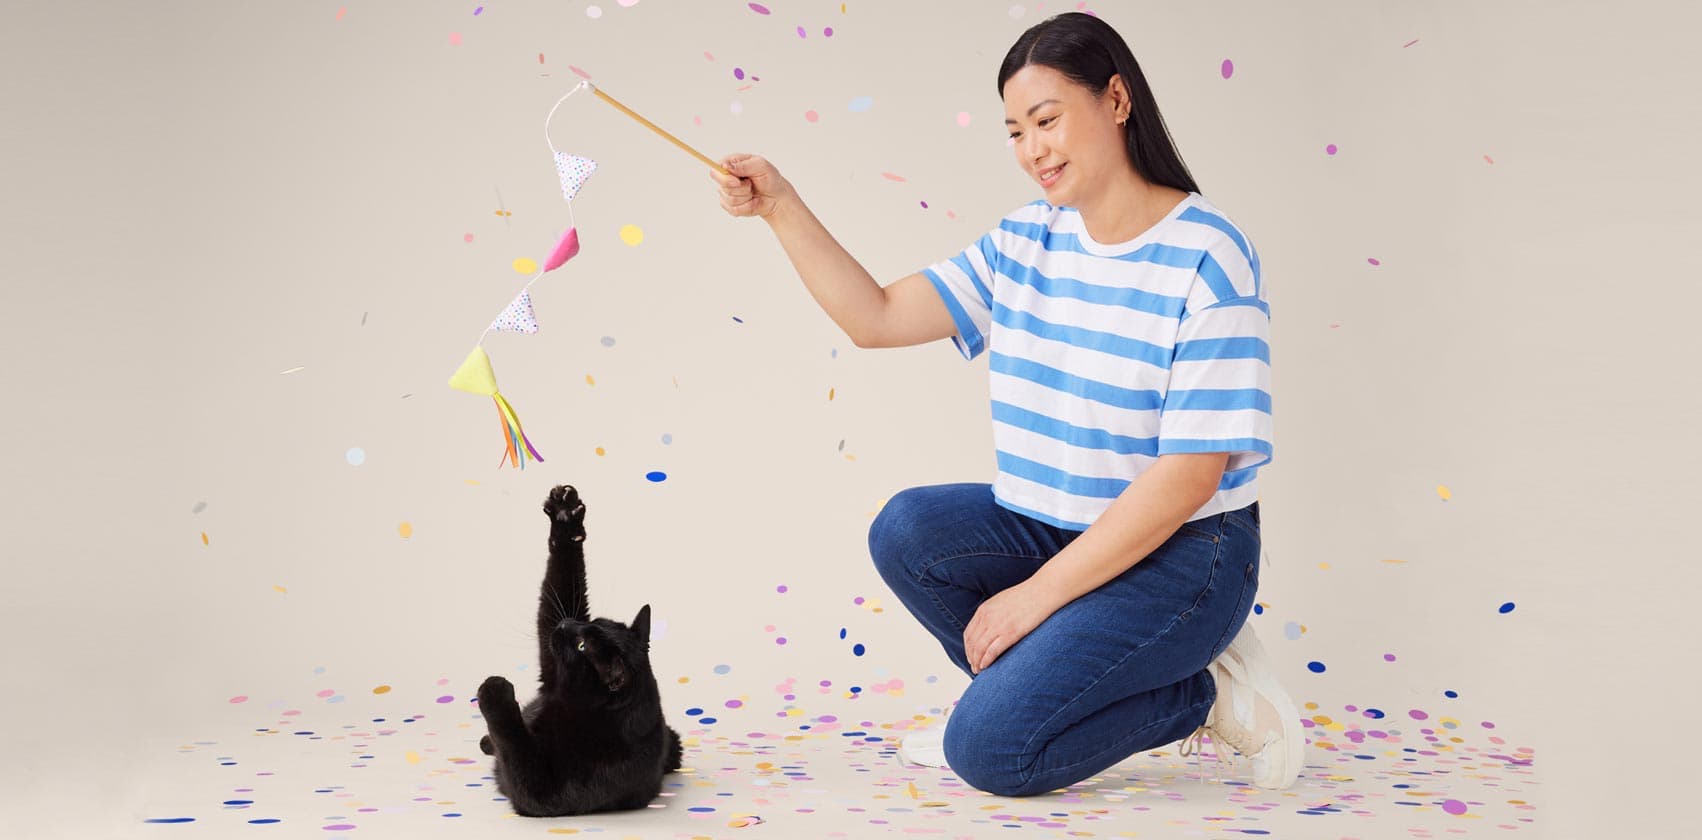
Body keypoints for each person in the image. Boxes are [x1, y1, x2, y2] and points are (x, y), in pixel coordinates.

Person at [710, 11, 1302, 795]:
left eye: (1047, 121)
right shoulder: (1026, 241)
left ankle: (1199, 692)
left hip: (1189, 553)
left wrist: (1032, 599)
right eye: (1015, 132)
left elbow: (1191, 476)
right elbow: (876, 316)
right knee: (909, 529)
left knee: (990, 753)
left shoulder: (1209, 253)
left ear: (1116, 101)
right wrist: (780, 204)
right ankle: (1018, 696)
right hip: (1058, 525)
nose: (1033, 151)